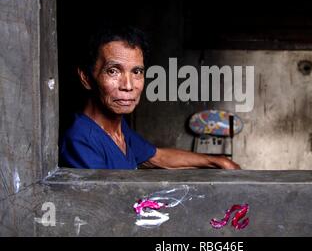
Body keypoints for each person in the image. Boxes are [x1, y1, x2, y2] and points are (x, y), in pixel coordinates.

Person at [59, 25, 240, 170]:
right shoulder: (81, 141)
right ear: (86, 78)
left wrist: (217, 161)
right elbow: (104, 209)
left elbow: (157, 157)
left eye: (137, 72)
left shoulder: (118, 129)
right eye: (113, 71)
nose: (128, 86)